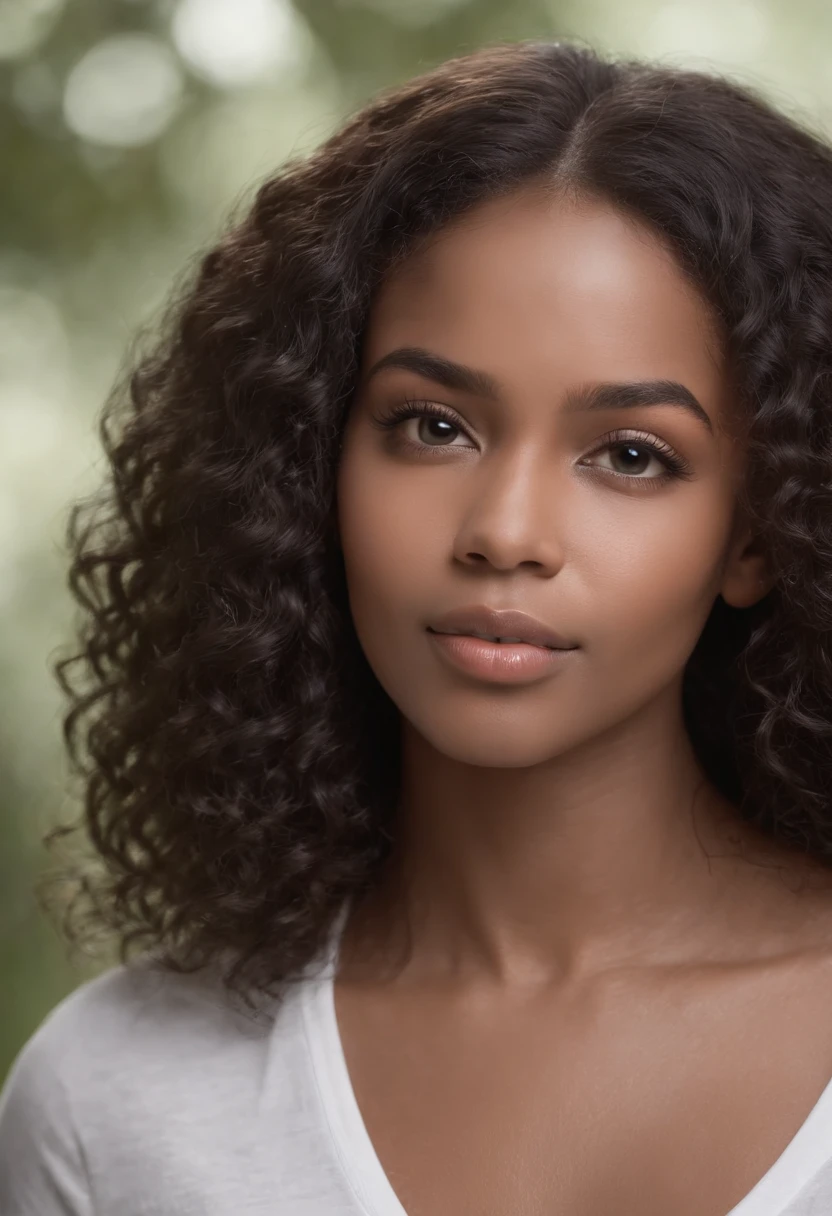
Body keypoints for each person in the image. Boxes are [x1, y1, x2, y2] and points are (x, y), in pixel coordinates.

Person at [3, 35, 832, 1216]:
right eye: (433, 426)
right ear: (307, 466)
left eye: (632, 455)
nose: (505, 529)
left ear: (758, 531)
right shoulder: (120, 1097)